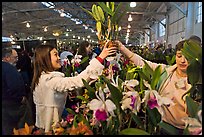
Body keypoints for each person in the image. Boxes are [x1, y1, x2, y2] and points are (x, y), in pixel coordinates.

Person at [31, 41, 117, 133]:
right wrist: (100, 58)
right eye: (55, 55)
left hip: (43, 126)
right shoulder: (50, 80)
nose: (59, 58)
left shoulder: (41, 77)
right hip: (49, 129)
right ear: (45, 58)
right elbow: (78, 81)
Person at [115, 39, 192, 135]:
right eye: (179, 56)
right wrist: (121, 48)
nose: (182, 61)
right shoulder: (165, 72)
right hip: (165, 126)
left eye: (187, 57)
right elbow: (142, 63)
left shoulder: (197, 83)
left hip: (189, 130)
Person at [2, 47, 33, 135]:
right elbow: (15, 86)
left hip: (4, 104)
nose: (17, 60)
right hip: (13, 105)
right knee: (23, 127)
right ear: (7, 57)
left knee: (7, 128)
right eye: (15, 57)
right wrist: (20, 98)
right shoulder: (9, 69)